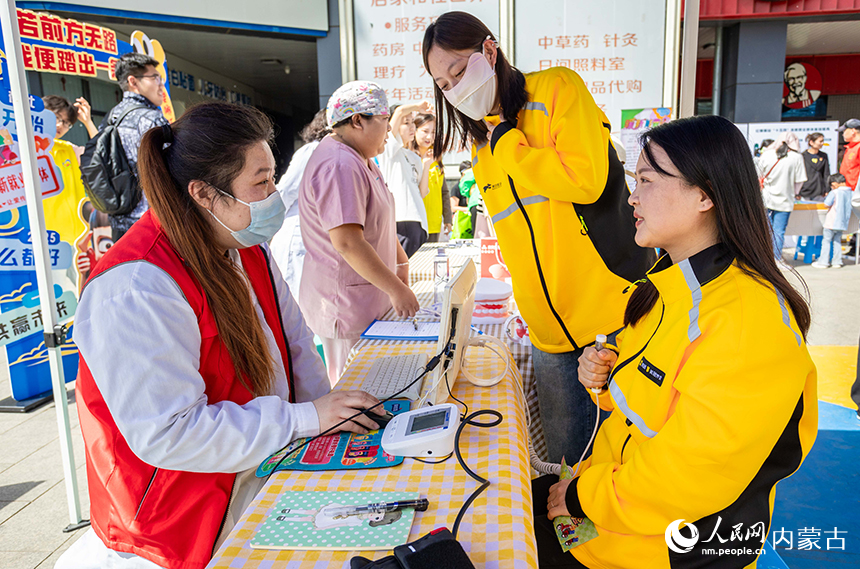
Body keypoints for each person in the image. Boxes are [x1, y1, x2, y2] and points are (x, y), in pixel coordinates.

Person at [56, 102, 384, 569]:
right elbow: (170, 432)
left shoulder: (243, 244)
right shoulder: (134, 287)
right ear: (205, 194)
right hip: (182, 521)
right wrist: (307, 421)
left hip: (256, 472)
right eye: (262, 182)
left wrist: (330, 425)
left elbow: (296, 347)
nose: (275, 195)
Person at [536, 115, 818, 568]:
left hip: (659, 548)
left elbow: (686, 475)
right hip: (614, 513)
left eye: (646, 179)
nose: (632, 196)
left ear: (705, 194)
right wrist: (604, 375)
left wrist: (580, 496)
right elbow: (650, 398)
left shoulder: (749, 321)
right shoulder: (670, 287)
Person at [423, 12, 655, 464]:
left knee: (624, 457)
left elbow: (586, 181)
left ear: (489, 51)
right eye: (443, 83)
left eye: (458, 69)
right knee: (564, 466)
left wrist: (509, 144)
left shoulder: (555, 91)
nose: (455, 88)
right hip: (548, 333)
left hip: (612, 318)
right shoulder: (480, 144)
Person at [299, 81, 418, 386]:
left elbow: (378, 221)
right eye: (384, 122)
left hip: (366, 297)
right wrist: (396, 288)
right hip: (345, 303)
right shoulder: (339, 163)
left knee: (374, 384)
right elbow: (348, 241)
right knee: (354, 388)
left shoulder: (361, 158)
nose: (389, 131)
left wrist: (401, 262)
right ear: (356, 121)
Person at [101, 52, 170, 242]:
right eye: (155, 78)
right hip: (153, 224)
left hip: (119, 223)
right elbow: (171, 167)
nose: (160, 84)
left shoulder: (110, 117)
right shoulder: (150, 118)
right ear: (133, 81)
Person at [270, 109, 330, 299]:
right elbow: (287, 190)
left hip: (317, 236)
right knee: (296, 299)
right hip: (299, 234)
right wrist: (270, 223)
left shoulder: (339, 153)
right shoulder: (312, 150)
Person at [377, 102, 431, 257]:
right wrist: (418, 107)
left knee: (416, 271)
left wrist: (426, 166)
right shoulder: (389, 151)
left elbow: (422, 192)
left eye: (412, 122)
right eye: (406, 123)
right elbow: (400, 111)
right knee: (402, 272)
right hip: (402, 219)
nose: (412, 127)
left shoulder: (414, 157)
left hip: (420, 222)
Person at [41, 95, 93, 247]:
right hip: (42, 241)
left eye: (66, 123)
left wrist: (88, 122)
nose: (59, 125)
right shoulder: (21, 149)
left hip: (77, 240)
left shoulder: (69, 149)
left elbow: (100, 156)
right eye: (56, 117)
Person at [757, 131, 807, 259]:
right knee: (779, 231)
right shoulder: (796, 157)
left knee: (765, 230)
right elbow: (799, 181)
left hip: (765, 199)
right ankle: (776, 259)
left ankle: (763, 258)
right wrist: (794, 193)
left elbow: (758, 175)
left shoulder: (767, 154)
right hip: (785, 200)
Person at [411, 112, 452, 242]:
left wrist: (448, 219)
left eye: (433, 132)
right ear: (414, 130)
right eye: (425, 131)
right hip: (416, 223)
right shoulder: (410, 158)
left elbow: (444, 192)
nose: (429, 136)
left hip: (434, 223)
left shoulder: (436, 160)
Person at [812, 173, 853, 269]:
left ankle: (823, 262)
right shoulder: (851, 192)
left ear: (835, 183)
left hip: (831, 221)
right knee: (837, 242)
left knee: (826, 241)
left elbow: (826, 204)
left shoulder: (835, 192)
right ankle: (837, 262)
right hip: (842, 222)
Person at [799, 132, 830, 200]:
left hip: (819, 190)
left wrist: (827, 189)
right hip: (805, 190)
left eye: (823, 141)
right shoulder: (802, 156)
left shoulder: (823, 156)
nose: (822, 143)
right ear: (811, 142)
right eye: (820, 141)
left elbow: (826, 174)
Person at [450, 160, 474, 239]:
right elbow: (453, 207)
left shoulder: (474, 185)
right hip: (462, 221)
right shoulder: (457, 188)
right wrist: (468, 208)